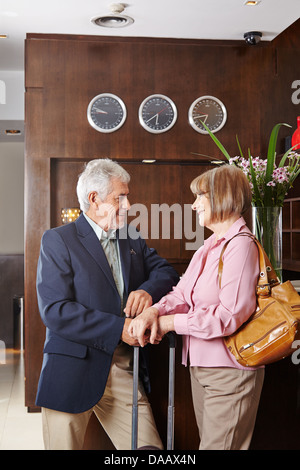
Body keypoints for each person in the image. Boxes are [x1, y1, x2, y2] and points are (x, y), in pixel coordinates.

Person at [35, 158, 179, 450]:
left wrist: (148, 291)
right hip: (71, 373)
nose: (128, 205)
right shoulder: (58, 240)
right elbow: (56, 311)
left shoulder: (130, 237)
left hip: (125, 370)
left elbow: (166, 272)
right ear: (94, 199)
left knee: (151, 450)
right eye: (120, 197)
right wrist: (120, 329)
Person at [128, 164, 265, 450]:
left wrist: (169, 323)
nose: (194, 206)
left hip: (229, 372)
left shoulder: (241, 246)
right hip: (201, 367)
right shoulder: (210, 246)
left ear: (222, 197)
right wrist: (156, 311)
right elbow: (180, 294)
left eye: (200, 197)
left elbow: (228, 317)